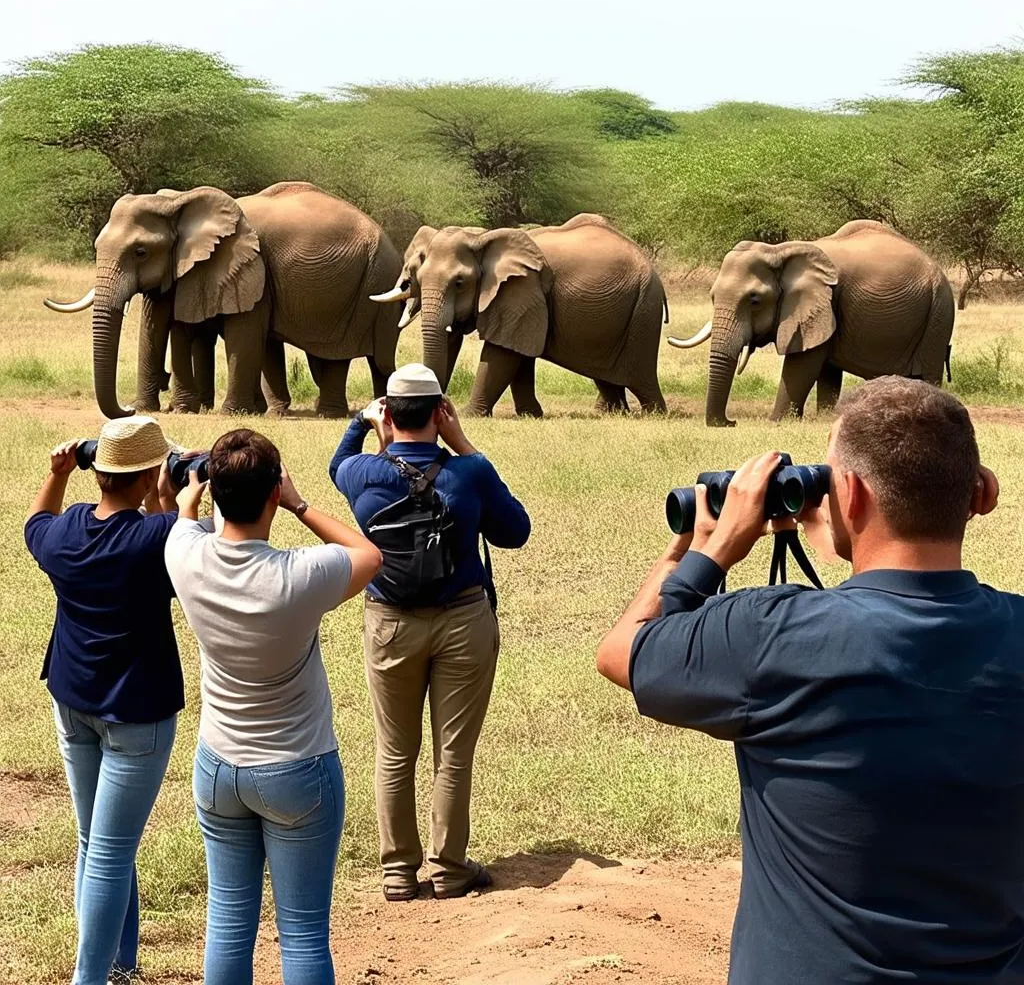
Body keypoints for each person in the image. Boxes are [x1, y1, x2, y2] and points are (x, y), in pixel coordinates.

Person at [596, 376, 1019, 985]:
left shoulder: (773, 636)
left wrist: (704, 552)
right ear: (980, 492)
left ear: (848, 492)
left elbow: (622, 651)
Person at [164, 429, 381, 985]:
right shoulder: (299, 574)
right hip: (297, 768)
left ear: (212, 494)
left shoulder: (182, 554)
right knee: (304, 933)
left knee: (228, 922)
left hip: (218, 768)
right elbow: (369, 555)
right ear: (272, 495)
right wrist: (301, 503)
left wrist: (186, 496)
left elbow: (182, 521)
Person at [329, 363, 530, 901]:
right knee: (453, 753)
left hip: (391, 623)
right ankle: (449, 868)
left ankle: (398, 870)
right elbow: (516, 532)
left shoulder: (364, 474)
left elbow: (338, 464)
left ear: (390, 414)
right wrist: (463, 442)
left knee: (395, 751)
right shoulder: (470, 472)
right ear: (441, 412)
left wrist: (364, 424)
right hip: (464, 621)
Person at [24, 416, 188, 985]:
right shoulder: (154, 537)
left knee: (97, 843)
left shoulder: (66, 532)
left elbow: (35, 522)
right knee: (112, 854)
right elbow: (187, 544)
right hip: (135, 714)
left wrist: (57, 473)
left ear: (100, 472)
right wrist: (170, 498)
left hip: (72, 700)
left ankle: (122, 965)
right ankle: (89, 978)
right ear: (145, 477)